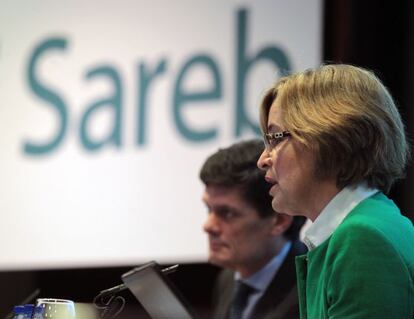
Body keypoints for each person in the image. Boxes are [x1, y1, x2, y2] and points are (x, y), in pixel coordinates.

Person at [257, 64, 414, 318]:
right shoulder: (370, 223)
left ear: (330, 136)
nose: (263, 159)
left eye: (276, 138)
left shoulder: (362, 238)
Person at [200, 139, 306, 319]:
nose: (208, 226)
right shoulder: (228, 279)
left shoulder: (312, 285)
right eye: (209, 209)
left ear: (279, 221)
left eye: (227, 213)